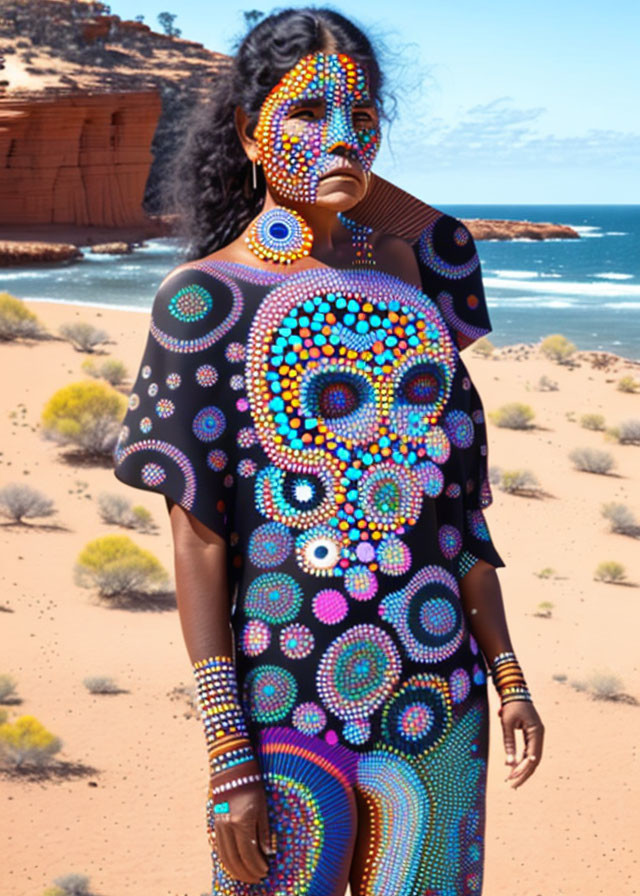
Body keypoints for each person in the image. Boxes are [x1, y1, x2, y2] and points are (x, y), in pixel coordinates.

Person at [113, 8, 544, 895]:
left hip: (439, 699)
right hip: (281, 711)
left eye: (364, 115)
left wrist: (506, 671)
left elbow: (453, 515)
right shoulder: (205, 304)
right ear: (245, 128)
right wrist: (229, 756)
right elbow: (198, 542)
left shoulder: (411, 287)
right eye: (308, 113)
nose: (344, 136)